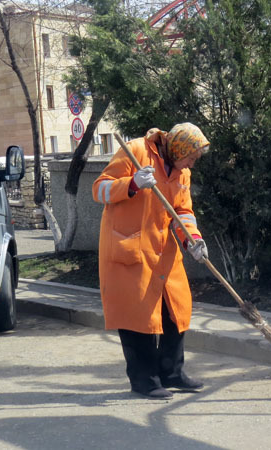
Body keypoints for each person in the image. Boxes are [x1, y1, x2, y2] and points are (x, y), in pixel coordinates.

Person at [92, 123, 210, 399]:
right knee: (137, 318)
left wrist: (193, 239)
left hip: (163, 253)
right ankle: (144, 380)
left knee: (175, 312)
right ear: (178, 147)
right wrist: (132, 184)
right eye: (191, 156)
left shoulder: (182, 173)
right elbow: (99, 190)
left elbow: (183, 211)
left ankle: (172, 373)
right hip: (130, 249)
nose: (193, 162)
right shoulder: (134, 151)